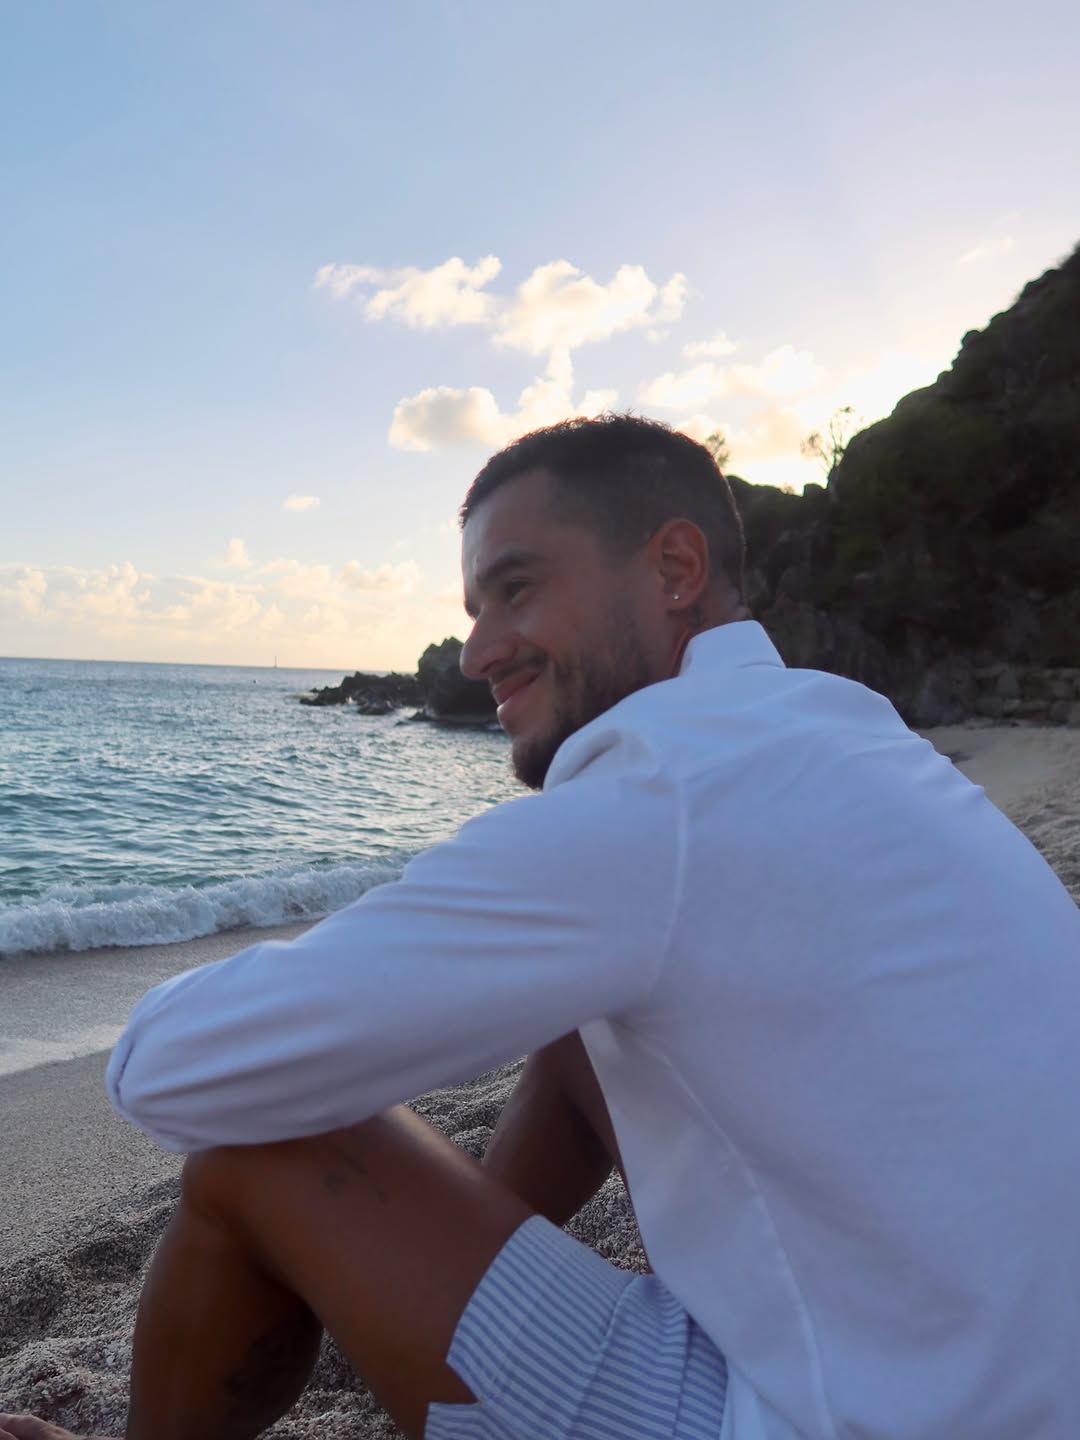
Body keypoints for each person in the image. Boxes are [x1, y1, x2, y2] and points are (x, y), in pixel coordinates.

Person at [4, 413, 1080, 1440]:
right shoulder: (839, 729)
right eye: (474, 609)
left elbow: (166, 1072)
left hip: (844, 1414)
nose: (478, 653)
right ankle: (436, 1299)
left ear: (674, 568)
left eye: (515, 590)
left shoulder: (661, 792)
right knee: (583, 1023)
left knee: (258, 1145)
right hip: (995, 1382)